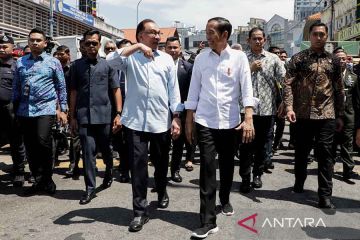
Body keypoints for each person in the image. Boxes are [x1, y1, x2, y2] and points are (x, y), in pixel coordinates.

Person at [107, 19, 182, 232]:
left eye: (158, 33)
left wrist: (176, 116)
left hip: (160, 121)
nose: (157, 37)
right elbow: (110, 60)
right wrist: (137, 48)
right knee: (138, 169)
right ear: (140, 36)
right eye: (151, 33)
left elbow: (173, 90)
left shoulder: (167, 59)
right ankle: (139, 212)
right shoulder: (130, 58)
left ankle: (161, 190)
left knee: (160, 163)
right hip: (135, 122)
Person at [185, 17, 255, 239]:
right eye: (206, 31)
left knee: (226, 165)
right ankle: (207, 221)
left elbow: (246, 88)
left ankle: (224, 199)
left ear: (224, 35)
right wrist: (189, 118)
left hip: (231, 121)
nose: (207, 35)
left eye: (211, 31)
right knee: (206, 167)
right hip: (205, 120)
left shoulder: (239, 58)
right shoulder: (201, 59)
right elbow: (194, 89)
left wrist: (249, 117)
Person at [284, 23, 344, 209]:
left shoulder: (333, 61)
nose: (319, 37)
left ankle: (324, 195)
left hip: (326, 115)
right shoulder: (298, 59)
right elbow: (288, 84)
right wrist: (289, 108)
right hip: (302, 115)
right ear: (309, 36)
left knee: (326, 155)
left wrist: (340, 115)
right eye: (315, 34)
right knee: (301, 152)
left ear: (327, 36)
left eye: (322, 34)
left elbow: (339, 89)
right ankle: (299, 181)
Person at [69, 30, 122, 205]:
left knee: (106, 150)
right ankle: (90, 188)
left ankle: (109, 171)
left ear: (99, 45)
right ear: (83, 45)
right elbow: (74, 92)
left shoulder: (107, 66)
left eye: (94, 43)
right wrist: (72, 116)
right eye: (88, 43)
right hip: (84, 116)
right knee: (88, 152)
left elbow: (115, 90)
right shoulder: (76, 66)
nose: (91, 46)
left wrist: (119, 114)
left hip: (104, 116)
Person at [12, 28, 68, 195]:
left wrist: (63, 109)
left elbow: (61, 86)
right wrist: (14, 108)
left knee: (43, 141)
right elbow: (16, 86)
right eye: (32, 40)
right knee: (30, 146)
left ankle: (47, 178)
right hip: (24, 110)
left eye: (38, 40)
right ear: (28, 42)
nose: (35, 42)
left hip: (46, 108)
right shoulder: (20, 62)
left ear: (45, 43)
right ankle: (37, 180)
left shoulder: (53, 62)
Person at [239, 28, 285, 191]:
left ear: (265, 40)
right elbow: (232, 81)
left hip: (267, 110)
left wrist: (284, 102)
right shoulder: (241, 58)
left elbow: (284, 80)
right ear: (248, 40)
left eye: (260, 38)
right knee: (245, 146)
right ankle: (245, 178)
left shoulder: (273, 59)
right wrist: (249, 69)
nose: (258, 41)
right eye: (254, 39)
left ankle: (257, 174)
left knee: (261, 146)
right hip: (245, 111)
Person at [165, 36, 195, 182]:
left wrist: (189, 113)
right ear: (165, 49)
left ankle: (175, 170)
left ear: (180, 49)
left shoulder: (188, 68)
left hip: (181, 111)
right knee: (162, 145)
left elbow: (191, 92)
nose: (172, 50)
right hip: (161, 111)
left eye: (175, 47)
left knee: (178, 144)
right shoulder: (157, 65)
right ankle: (161, 173)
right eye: (169, 47)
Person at [0, 34, 26, 186]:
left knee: (16, 142)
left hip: (11, 110)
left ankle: (19, 171)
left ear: (12, 48)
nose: (1, 49)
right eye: (0, 46)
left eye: (5, 46)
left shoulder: (18, 66)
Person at [54, 45, 81, 179]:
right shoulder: (55, 68)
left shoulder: (74, 68)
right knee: (56, 136)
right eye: (57, 54)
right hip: (58, 107)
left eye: (61, 54)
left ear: (68, 54)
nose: (58, 56)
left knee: (74, 138)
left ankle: (73, 164)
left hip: (72, 107)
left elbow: (73, 91)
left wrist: (71, 109)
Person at [332, 50, 358, 182]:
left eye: (344, 59)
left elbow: (357, 99)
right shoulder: (327, 76)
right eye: (338, 59)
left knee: (347, 143)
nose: (341, 61)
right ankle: (327, 167)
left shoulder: (353, 77)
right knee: (331, 143)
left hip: (348, 115)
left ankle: (348, 170)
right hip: (331, 115)